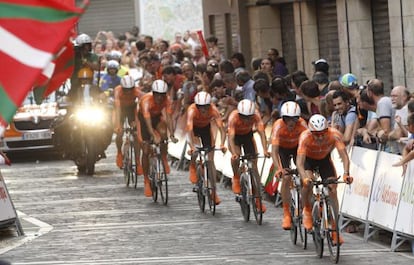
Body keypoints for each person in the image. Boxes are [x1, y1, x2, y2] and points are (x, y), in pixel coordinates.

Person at [296, 114, 353, 245]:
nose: (320, 137)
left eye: (323, 133)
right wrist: (304, 178)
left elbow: (344, 156)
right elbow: (300, 163)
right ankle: (307, 211)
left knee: (333, 188)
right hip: (308, 162)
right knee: (308, 183)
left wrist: (346, 173)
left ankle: (334, 229)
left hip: (324, 161)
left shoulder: (334, 134)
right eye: (317, 134)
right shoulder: (305, 137)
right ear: (311, 132)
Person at [227, 99, 270, 212]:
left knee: (254, 167)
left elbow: (262, 133)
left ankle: (258, 199)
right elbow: (231, 138)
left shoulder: (256, 116)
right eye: (243, 117)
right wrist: (235, 154)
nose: (246, 120)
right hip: (235, 138)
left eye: (249, 117)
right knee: (235, 157)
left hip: (247, 137)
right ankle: (236, 177)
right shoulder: (233, 117)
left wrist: (265, 150)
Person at [137, 80, 178, 197]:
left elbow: (169, 117)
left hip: (157, 117)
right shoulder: (146, 101)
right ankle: (146, 180)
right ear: (153, 93)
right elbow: (148, 123)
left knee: (163, 133)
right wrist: (153, 135)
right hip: (144, 120)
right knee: (145, 150)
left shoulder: (167, 99)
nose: (160, 98)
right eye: (157, 95)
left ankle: (163, 157)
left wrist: (172, 134)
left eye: (162, 95)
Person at [271, 101, 307, 229]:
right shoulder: (278, 126)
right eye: (287, 119)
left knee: (305, 176)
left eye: (294, 119)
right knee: (286, 177)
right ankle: (286, 213)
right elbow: (274, 151)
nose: (291, 122)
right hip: (282, 150)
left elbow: (307, 144)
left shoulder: (302, 124)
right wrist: (279, 169)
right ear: (283, 118)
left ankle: (306, 207)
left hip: (298, 148)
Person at [186, 91, 227, 205]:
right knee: (195, 151)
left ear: (210, 105)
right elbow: (189, 130)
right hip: (193, 130)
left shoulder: (214, 110)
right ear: (196, 106)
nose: (203, 110)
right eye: (200, 107)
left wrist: (222, 144)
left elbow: (221, 129)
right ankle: (193, 166)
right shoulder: (192, 110)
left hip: (205, 130)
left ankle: (214, 191)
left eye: (206, 107)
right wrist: (192, 146)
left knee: (210, 161)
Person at [114, 75, 144, 174]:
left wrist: (136, 122)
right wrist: (118, 125)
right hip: (121, 110)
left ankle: (138, 162)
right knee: (119, 133)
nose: (128, 92)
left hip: (132, 109)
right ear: (122, 88)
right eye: (125, 90)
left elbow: (140, 108)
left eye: (130, 89)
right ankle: (119, 152)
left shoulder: (137, 91)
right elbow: (118, 109)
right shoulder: (117, 91)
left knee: (136, 135)